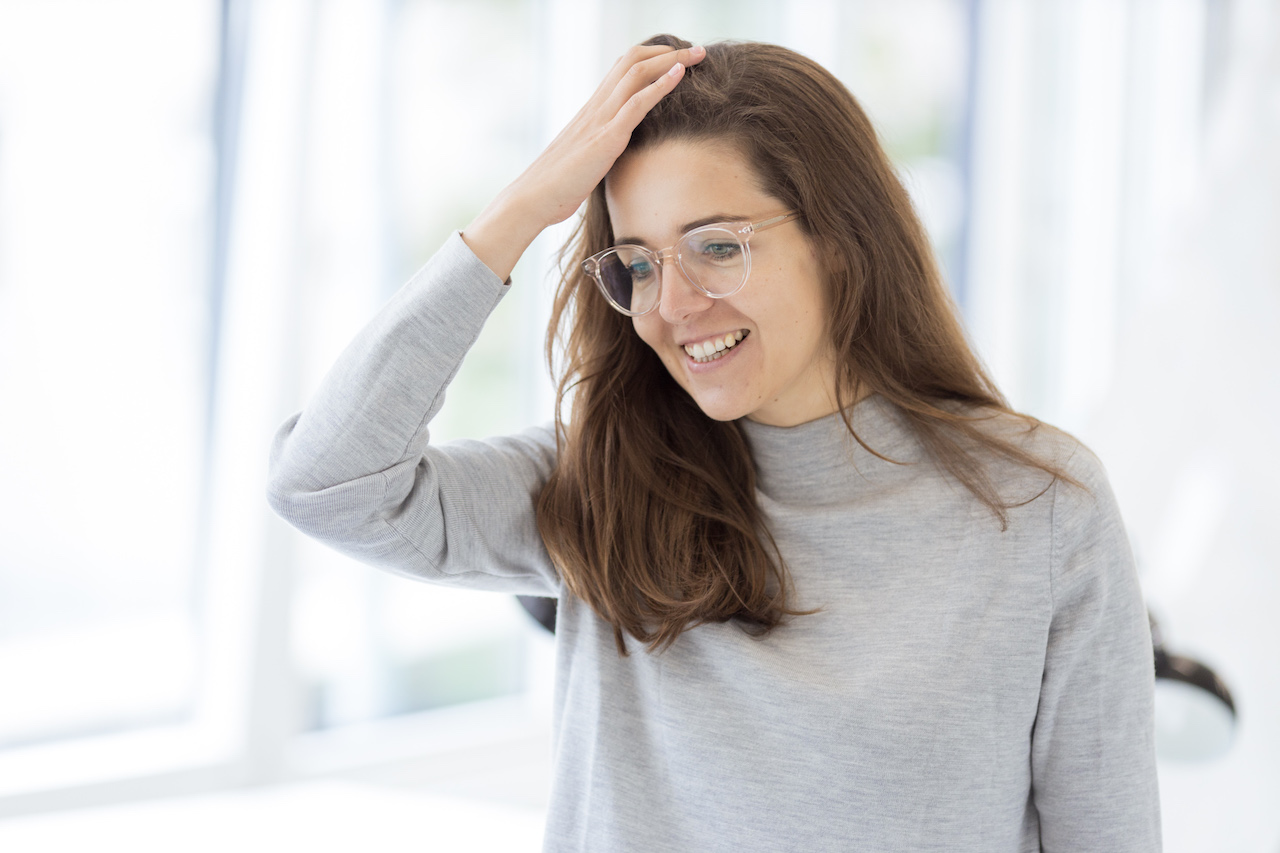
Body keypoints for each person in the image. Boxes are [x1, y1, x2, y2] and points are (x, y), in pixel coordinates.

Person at [267, 35, 1161, 852]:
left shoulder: (1041, 509)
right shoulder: (600, 482)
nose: (672, 304)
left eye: (717, 247)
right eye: (640, 263)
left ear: (840, 244)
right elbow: (326, 482)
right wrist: (521, 210)